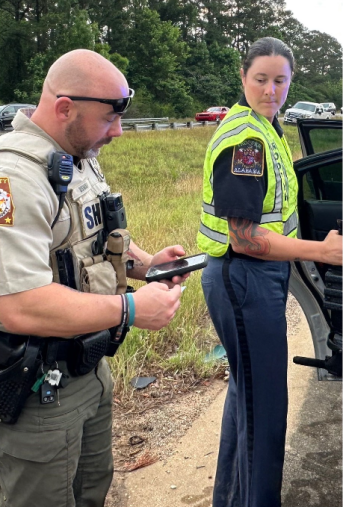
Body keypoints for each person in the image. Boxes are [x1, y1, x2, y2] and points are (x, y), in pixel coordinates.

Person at [0, 49, 187, 507]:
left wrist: (149, 265)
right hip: (37, 389)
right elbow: (17, 304)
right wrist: (130, 310)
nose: (119, 131)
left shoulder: (76, 155)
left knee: (92, 492)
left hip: (89, 368)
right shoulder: (12, 177)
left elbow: (100, 236)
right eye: (109, 118)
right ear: (65, 108)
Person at [197, 37, 342, 507]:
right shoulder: (247, 140)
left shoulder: (269, 127)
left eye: (281, 81)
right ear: (243, 78)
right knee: (265, 409)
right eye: (261, 79)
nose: (271, 90)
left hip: (251, 277)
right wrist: (320, 251)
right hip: (243, 276)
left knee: (249, 398)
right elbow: (245, 237)